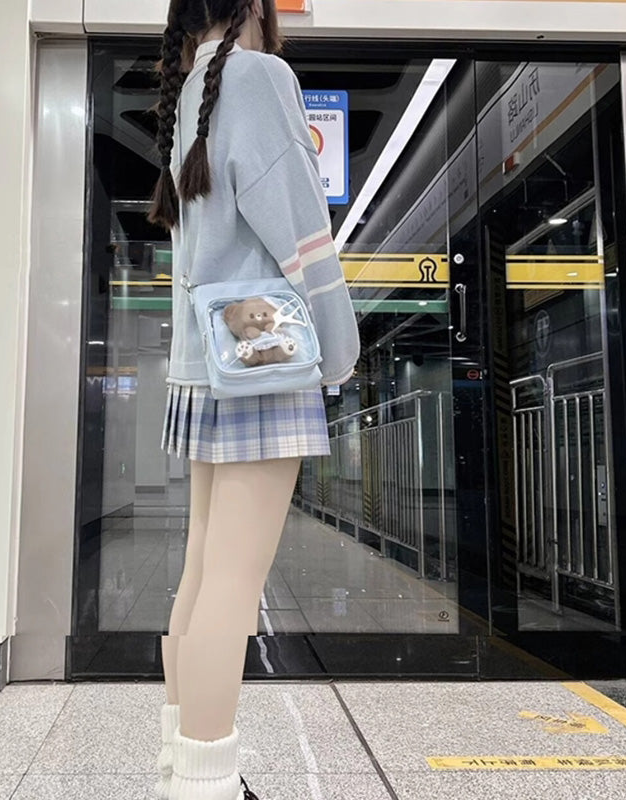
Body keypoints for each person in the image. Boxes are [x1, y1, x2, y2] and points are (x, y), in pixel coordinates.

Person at [146, 1, 359, 798]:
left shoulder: (190, 95)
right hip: (264, 359)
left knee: (204, 570)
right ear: (252, 6)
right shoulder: (260, 77)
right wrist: (338, 346)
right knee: (235, 583)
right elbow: (300, 229)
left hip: (206, 364)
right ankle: (206, 783)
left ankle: (178, 765)